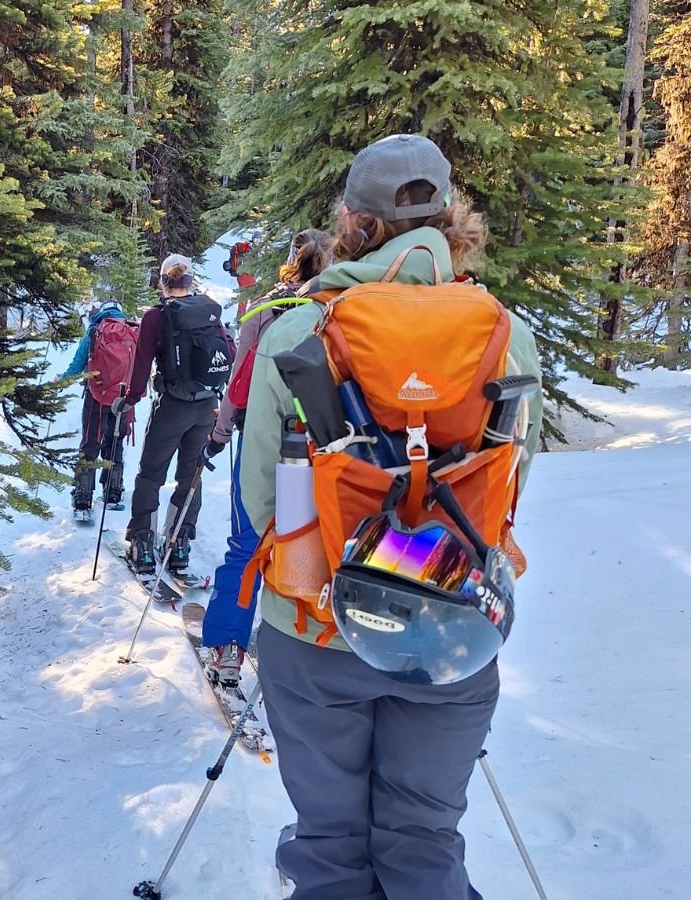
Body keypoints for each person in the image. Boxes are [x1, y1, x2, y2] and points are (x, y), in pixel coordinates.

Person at [241, 134, 544, 900]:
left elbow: (262, 506)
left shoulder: (295, 332)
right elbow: (511, 486)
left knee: (333, 850)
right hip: (452, 631)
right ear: (449, 218)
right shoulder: (507, 338)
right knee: (422, 843)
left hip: (314, 631)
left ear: (350, 221)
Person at [199, 229, 333, 688]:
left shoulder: (267, 309)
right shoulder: (344, 308)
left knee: (248, 545)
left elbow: (239, 386)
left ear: (291, 260)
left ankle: (226, 646)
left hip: (264, 443)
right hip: (324, 453)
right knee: (315, 548)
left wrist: (217, 436)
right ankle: (302, 651)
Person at [114, 253, 233, 575]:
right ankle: (178, 544)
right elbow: (228, 350)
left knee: (151, 474)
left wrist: (130, 399)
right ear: (190, 281)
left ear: (162, 281)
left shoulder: (156, 316)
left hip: (172, 407)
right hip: (207, 406)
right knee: (190, 476)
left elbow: (141, 366)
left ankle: (142, 542)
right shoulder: (208, 309)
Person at [59, 299, 136, 513]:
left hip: (96, 397)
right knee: (115, 442)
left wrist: (63, 379)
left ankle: (83, 494)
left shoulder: (95, 331)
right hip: (124, 399)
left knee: (90, 442)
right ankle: (113, 489)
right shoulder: (132, 331)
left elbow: (78, 362)